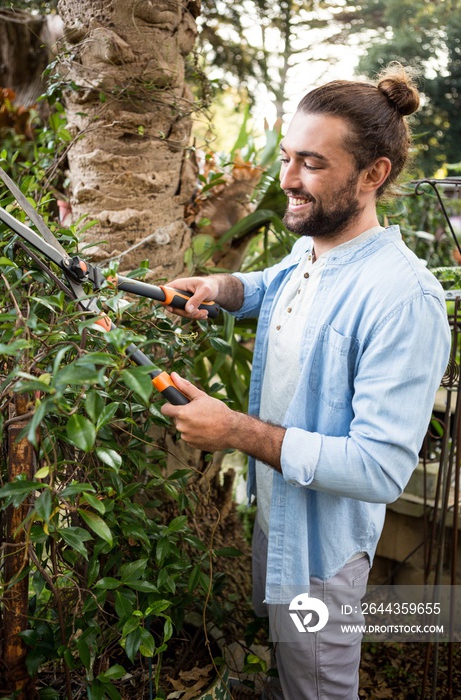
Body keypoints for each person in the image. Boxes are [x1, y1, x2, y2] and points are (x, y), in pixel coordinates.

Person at [160, 64, 451, 699]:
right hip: (278, 519)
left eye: (312, 164)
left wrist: (234, 430)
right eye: (289, 157)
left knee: (317, 686)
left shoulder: (403, 299)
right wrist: (218, 288)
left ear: (373, 174)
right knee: (290, 677)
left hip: (323, 555)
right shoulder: (314, 249)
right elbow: (271, 286)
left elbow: (378, 468)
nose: (287, 179)